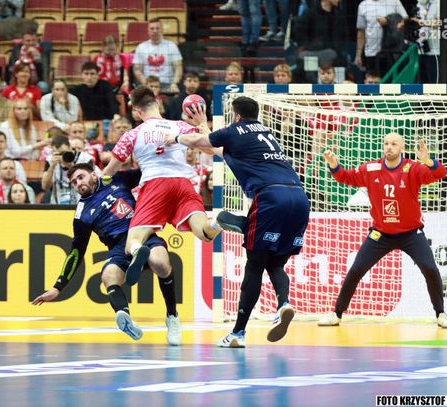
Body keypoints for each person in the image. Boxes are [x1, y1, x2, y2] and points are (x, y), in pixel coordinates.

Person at [167, 96, 310, 346]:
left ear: (236, 116)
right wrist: (203, 124)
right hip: (299, 198)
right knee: (275, 263)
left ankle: (238, 333)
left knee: (254, 265)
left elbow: (199, 142)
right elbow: (218, 150)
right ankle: (284, 303)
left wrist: (175, 138)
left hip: (270, 198)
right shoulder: (265, 133)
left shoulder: (234, 130)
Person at [32, 162, 182, 345]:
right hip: (118, 247)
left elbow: (148, 170)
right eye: (74, 182)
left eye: (81, 177)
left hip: (142, 233)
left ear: (94, 175)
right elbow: (76, 252)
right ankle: (125, 318)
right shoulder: (81, 214)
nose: (78, 183)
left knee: (161, 263)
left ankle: (172, 316)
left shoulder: (117, 180)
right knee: (108, 276)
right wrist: (58, 287)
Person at [318, 133, 447, 328]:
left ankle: (440, 313)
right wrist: (334, 164)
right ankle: (336, 313)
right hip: (381, 234)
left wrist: (428, 161)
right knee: (356, 269)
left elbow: (441, 173)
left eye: (394, 144)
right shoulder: (371, 168)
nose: (389, 147)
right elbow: (344, 177)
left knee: (430, 268)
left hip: (411, 233)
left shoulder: (412, 168)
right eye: (386, 143)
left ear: (402, 148)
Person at [103, 85, 222, 286]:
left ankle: (139, 250)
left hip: (155, 185)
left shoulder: (132, 134)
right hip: (183, 184)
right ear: (158, 103)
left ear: (137, 111)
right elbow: (211, 149)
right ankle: (217, 223)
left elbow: (110, 170)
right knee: (204, 233)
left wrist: (104, 179)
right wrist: (202, 123)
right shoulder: (180, 127)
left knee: (132, 242)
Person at [132, 18, 182, 93]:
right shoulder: (141, 47)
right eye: (152, 28)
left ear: (162, 30)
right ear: (148, 31)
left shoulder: (172, 46)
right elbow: (137, 70)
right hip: (148, 84)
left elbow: (178, 68)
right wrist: (146, 83)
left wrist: (174, 84)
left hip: (167, 85)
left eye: (157, 28)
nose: (155, 31)